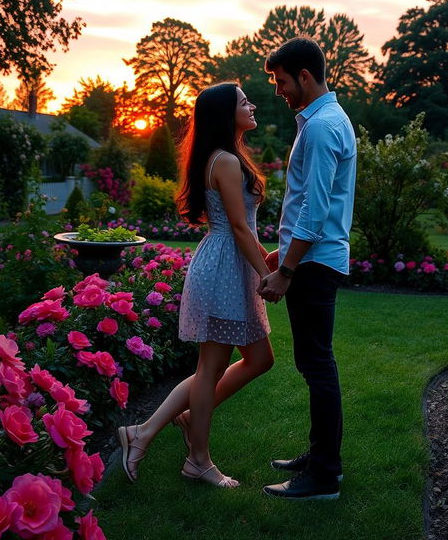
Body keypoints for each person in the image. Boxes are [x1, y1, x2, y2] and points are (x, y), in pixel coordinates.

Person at [118, 82, 274, 488]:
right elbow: (238, 227)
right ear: (226, 113)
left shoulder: (227, 156)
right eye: (244, 102)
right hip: (225, 267)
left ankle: (161, 426)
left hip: (228, 263)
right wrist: (267, 275)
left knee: (259, 359)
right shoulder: (224, 160)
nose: (252, 104)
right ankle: (197, 460)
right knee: (211, 367)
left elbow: (245, 227)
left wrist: (268, 261)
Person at [258, 36, 356, 500]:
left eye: (280, 82)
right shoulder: (326, 120)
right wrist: (283, 253)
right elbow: (313, 206)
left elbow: (314, 212)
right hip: (315, 258)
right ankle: (321, 459)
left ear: (304, 76)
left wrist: (287, 270)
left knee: (317, 365)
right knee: (316, 362)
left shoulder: (320, 128)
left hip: (314, 264)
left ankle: (323, 476)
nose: (278, 91)